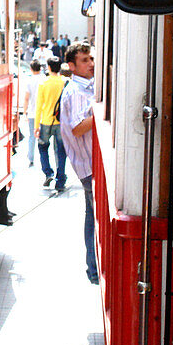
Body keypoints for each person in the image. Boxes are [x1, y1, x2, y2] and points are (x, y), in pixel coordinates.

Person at [59, 42, 98, 284]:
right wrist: (102, 113)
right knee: (91, 217)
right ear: (72, 66)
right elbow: (77, 128)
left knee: (91, 215)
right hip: (88, 166)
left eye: (91, 58)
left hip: (91, 164)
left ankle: (93, 268)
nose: (91, 63)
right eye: (85, 60)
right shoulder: (74, 91)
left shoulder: (87, 86)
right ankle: (93, 269)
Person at [34, 56, 67, 191]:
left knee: (43, 148)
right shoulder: (65, 82)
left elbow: (39, 106)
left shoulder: (43, 83)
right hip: (61, 122)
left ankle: (48, 172)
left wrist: (36, 126)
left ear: (48, 67)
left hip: (46, 121)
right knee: (60, 151)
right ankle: (60, 180)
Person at [21, 60, 43, 167]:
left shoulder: (29, 81)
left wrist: (24, 112)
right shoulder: (44, 79)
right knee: (43, 137)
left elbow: (26, 98)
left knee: (32, 136)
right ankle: (43, 158)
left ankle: (31, 158)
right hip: (44, 113)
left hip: (32, 112)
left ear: (31, 69)